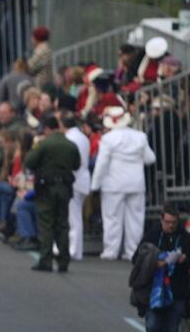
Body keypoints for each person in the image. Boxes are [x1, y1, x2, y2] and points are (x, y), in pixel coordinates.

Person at [92, 106, 156, 261]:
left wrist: (95, 184)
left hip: (113, 184)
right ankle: (132, 250)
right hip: (136, 183)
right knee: (135, 218)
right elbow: (150, 158)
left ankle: (111, 251)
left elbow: (102, 164)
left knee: (112, 217)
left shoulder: (108, 139)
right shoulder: (140, 137)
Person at [140, 205, 190, 332]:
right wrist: (156, 261)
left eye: (174, 223)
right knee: (153, 327)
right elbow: (137, 257)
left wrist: (184, 259)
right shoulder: (152, 236)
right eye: (167, 222)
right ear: (161, 220)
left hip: (176, 291)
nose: (170, 226)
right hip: (154, 291)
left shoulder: (184, 238)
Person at [24, 114, 80, 272]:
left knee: (46, 223)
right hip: (65, 187)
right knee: (62, 223)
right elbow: (76, 165)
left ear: (48, 129)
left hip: (47, 187)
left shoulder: (44, 144)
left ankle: (46, 260)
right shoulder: (70, 145)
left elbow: (29, 161)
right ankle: (63, 261)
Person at [62, 112, 92, 261]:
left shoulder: (70, 138)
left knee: (73, 218)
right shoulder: (83, 138)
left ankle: (73, 250)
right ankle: (75, 249)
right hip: (82, 179)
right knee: (75, 216)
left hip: (74, 179)